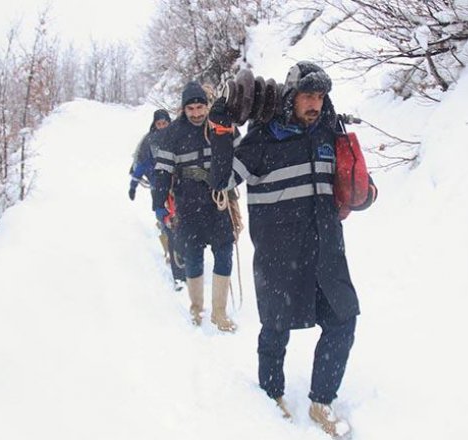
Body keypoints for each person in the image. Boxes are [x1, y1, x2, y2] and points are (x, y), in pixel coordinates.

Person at [208, 61, 377, 438]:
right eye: (307, 96)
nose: (315, 104)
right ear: (290, 96)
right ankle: (271, 396)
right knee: (275, 328)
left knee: (343, 319)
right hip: (278, 256)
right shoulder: (264, 138)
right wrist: (221, 129)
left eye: (320, 96)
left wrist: (362, 189)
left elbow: (355, 181)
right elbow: (222, 178)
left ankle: (321, 400)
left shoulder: (329, 134)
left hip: (327, 252)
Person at [151, 81, 239, 332]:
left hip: (218, 201)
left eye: (201, 107)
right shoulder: (172, 134)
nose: (197, 113)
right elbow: (163, 170)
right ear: (183, 109)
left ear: (207, 105)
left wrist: (232, 183)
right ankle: (197, 309)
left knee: (224, 252)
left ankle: (220, 313)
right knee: (193, 256)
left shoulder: (219, 124)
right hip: (188, 204)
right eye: (192, 109)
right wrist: (159, 203)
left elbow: (241, 153)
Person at [127, 109, 185, 290]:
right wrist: (133, 185)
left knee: (178, 223)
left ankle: (180, 256)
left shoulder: (178, 136)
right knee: (165, 221)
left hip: (176, 186)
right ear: (154, 124)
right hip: (157, 186)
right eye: (159, 124)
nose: (162, 127)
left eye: (165, 123)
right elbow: (142, 165)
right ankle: (172, 255)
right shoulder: (149, 142)